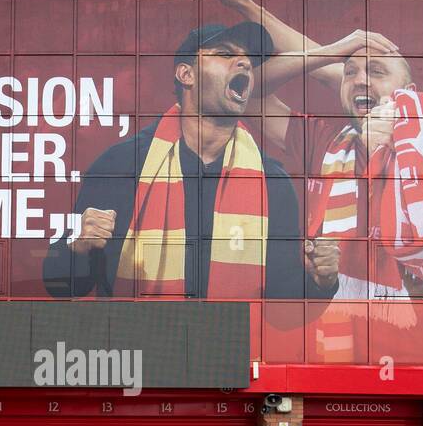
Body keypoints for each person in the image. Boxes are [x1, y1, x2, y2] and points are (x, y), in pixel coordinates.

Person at [42, 22, 332, 300]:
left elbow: (282, 308)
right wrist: (76, 248)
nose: (244, 63)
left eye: (248, 60)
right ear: (186, 74)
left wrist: (319, 283)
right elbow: (60, 285)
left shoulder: (272, 182)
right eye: (225, 54)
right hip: (135, 349)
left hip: (228, 349)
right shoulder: (120, 165)